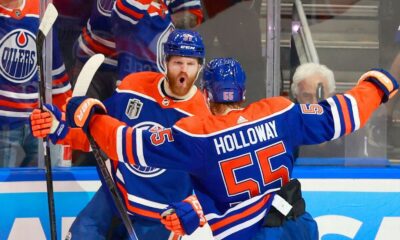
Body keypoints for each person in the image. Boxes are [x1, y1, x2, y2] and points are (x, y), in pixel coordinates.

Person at [50, 57, 397, 239]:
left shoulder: (197, 134)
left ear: (209, 95)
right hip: (300, 226)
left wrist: (93, 117)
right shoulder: (280, 112)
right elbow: (341, 115)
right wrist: (376, 87)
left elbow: (130, 145)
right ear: (243, 92)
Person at [31, 29, 210, 239]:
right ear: (165, 61)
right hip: (115, 196)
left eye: (190, 64)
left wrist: (194, 208)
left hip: (159, 215)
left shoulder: (203, 119)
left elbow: (213, 182)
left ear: (200, 67)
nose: (183, 71)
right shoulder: (135, 87)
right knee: (81, 234)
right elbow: (96, 134)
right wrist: (57, 127)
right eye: (178, 63)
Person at [0, 0, 71, 167]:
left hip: (39, 121)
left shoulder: (39, 8)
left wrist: (66, 117)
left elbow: (53, 66)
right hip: (3, 127)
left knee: (44, 185)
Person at [290, 62, 343, 159]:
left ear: (330, 96)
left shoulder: (346, 129)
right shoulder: (286, 131)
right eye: (307, 96)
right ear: (297, 97)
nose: (315, 104)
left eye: (320, 97)